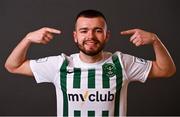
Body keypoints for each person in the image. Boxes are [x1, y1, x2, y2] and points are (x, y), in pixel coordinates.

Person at [5, 9, 176, 116]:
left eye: (98, 31)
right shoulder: (60, 64)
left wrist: (155, 40)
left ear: (107, 35)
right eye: (84, 31)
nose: (90, 37)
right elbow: (13, 66)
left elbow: (166, 70)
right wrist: (27, 38)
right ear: (75, 36)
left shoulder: (121, 62)